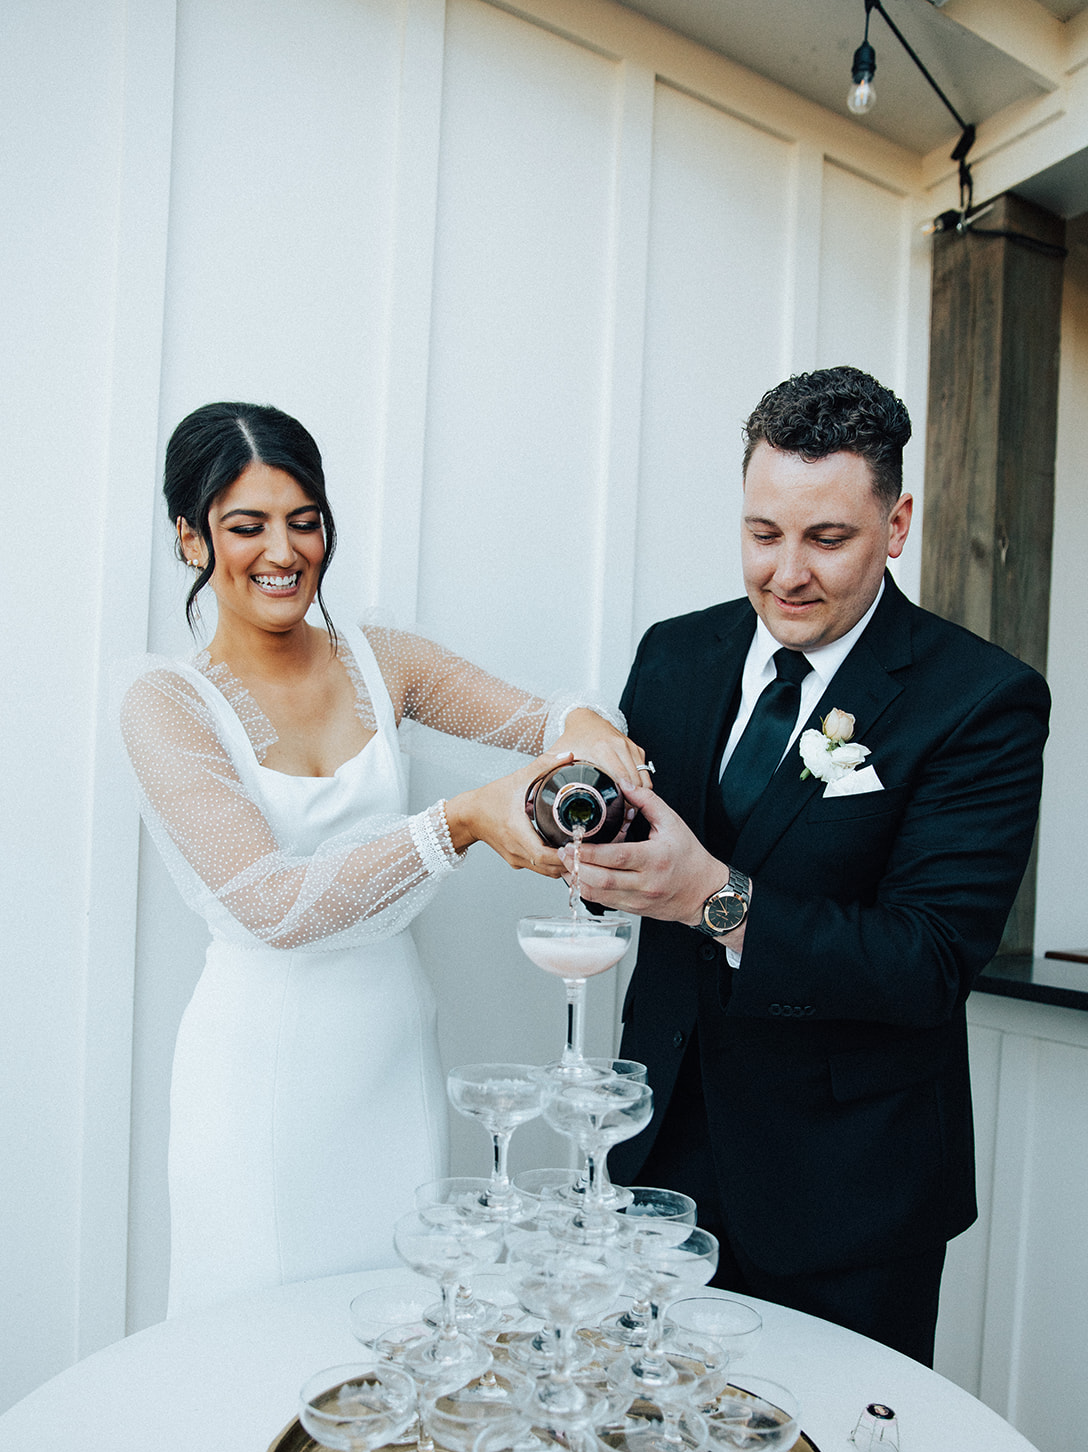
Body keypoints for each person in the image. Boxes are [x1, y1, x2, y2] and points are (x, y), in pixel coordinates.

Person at [566, 366, 1050, 1365]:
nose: (785, 572)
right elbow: (647, 849)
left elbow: (925, 960)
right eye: (761, 533)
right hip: (653, 1157)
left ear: (896, 521)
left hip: (845, 1196)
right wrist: (585, 849)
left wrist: (713, 897)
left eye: (825, 538)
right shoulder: (674, 654)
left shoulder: (979, 699)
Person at [118, 400, 646, 1316]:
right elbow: (272, 904)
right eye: (246, 526)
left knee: (398, 1332)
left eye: (305, 520)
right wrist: (461, 822)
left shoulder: (384, 659)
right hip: (259, 1078)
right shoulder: (165, 703)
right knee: (252, 1342)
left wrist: (588, 727)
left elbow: (537, 717)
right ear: (190, 539)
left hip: (390, 1048)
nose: (283, 552)